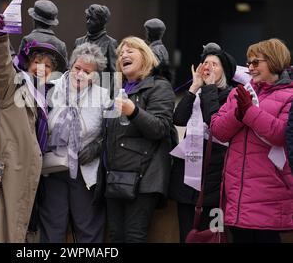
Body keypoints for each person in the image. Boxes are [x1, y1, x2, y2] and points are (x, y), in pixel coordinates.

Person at [0, 14, 67, 243]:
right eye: (37, 63)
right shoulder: (12, 87)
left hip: (34, 176)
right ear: (28, 64)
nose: (41, 68)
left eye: (48, 66)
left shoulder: (49, 98)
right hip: (7, 172)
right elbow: (0, 66)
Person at [211, 38, 293, 243]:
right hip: (237, 194)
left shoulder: (289, 95)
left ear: (274, 61)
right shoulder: (240, 92)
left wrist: (248, 111)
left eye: (256, 62)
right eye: (248, 63)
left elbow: (280, 134)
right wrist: (238, 113)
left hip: (271, 192)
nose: (250, 68)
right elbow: (218, 131)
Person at [96, 36, 175, 243]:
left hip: (143, 178)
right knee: (115, 237)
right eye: (121, 53)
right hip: (114, 176)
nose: (123, 55)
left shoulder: (159, 86)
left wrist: (134, 112)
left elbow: (161, 128)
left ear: (145, 56)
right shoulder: (117, 91)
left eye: (130, 51)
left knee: (133, 237)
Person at [38, 42, 110, 243]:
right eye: (77, 68)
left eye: (87, 71)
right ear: (71, 66)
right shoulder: (50, 89)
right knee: (52, 227)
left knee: (88, 229)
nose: (80, 74)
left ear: (94, 76)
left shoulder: (103, 97)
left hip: (84, 171)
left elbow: (111, 134)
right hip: (53, 169)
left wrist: (97, 147)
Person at [168, 42, 236, 242]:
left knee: (212, 236)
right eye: (205, 63)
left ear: (225, 71)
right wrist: (194, 87)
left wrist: (210, 89)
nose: (208, 67)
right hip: (188, 177)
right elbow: (178, 119)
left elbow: (214, 121)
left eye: (214, 64)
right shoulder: (197, 92)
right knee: (186, 235)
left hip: (214, 179)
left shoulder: (231, 95)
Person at [19, 0, 68, 66]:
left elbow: (19, 66)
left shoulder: (27, 40)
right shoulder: (61, 45)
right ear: (51, 23)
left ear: (34, 19)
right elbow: (64, 71)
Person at [75, 4, 117, 74]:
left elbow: (115, 72)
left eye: (92, 19)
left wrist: (105, 84)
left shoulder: (110, 43)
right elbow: (73, 67)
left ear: (101, 22)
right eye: (87, 18)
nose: (88, 22)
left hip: (101, 83)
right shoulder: (79, 42)